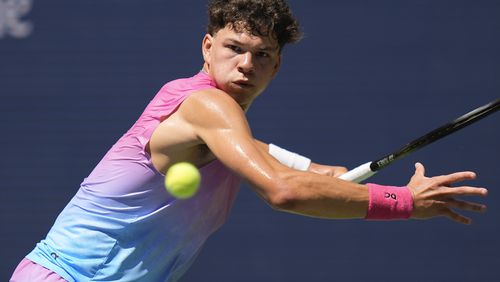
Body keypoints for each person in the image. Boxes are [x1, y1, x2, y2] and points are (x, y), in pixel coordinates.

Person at [10, 0, 488, 281]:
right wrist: (402, 201)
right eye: (234, 49)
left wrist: (352, 185)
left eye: (262, 55)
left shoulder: (227, 132)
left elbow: (316, 176)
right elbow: (285, 189)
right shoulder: (205, 106)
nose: (245, 65)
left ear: (276, 66)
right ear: (207, 47)